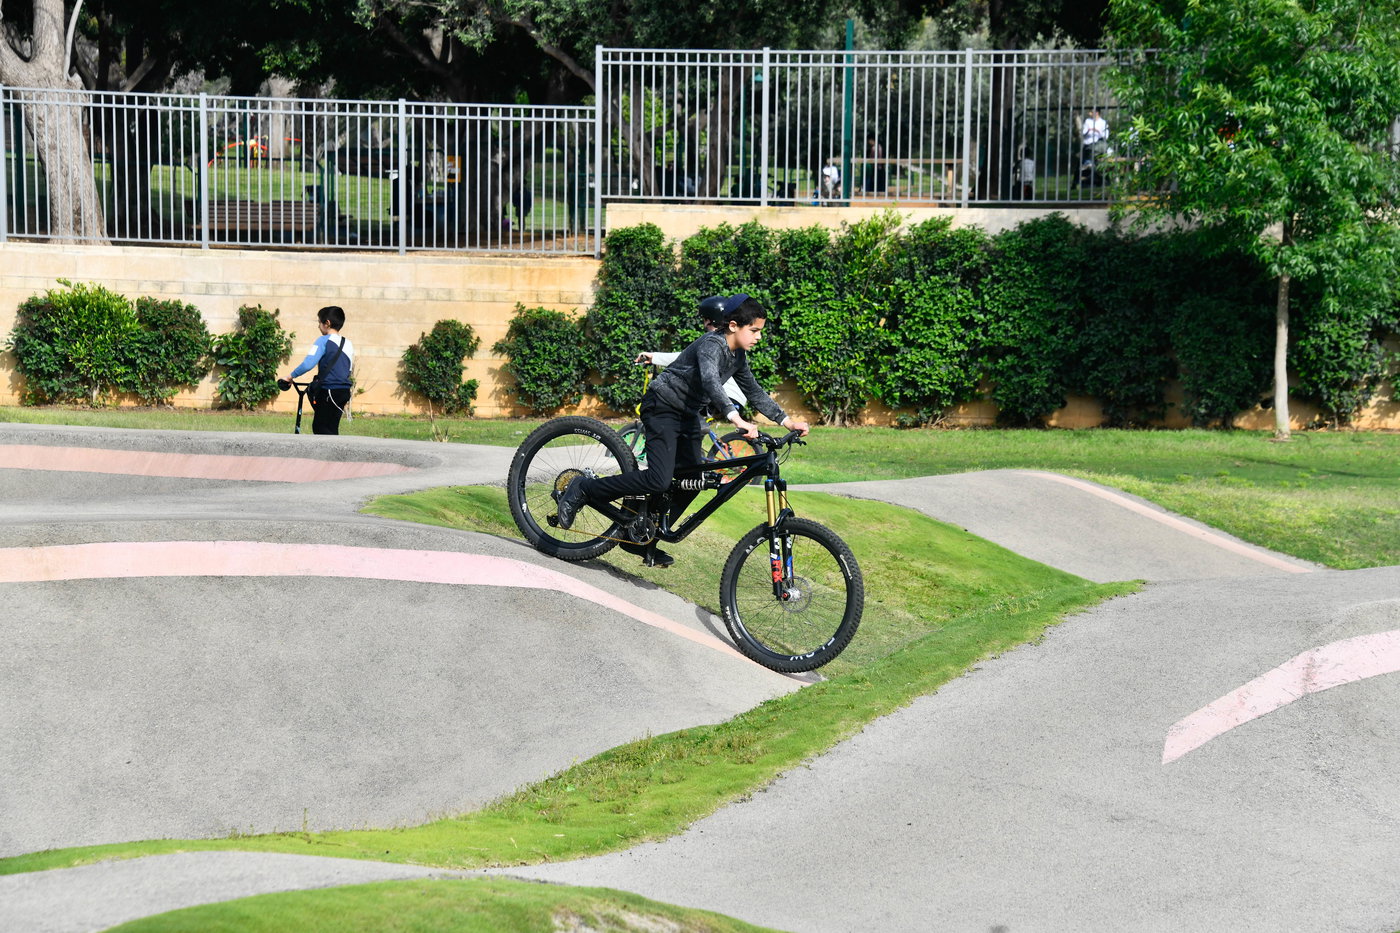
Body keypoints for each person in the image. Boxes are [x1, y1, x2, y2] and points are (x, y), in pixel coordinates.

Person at [555, 294, 809, 568]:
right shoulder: (712, 344)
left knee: (694, 480)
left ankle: (642, 537)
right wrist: (736, 418)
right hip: (662, 406)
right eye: (755, 331)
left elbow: (754, 391)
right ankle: (583, 488)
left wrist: (787, 422)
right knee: (659, 480)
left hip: (687, 414)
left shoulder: (738, 356)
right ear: (734, 325)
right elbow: (711, 381)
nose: (758, 337)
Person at [285, 305, 353, 435]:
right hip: (343, 391)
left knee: (321, 429)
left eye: (319, 322)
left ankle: (326, 455)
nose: (318, 326)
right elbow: (348, 370)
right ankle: (334, 454)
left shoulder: (323, 340)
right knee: (331, 428)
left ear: (327, 323)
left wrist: (290, 376)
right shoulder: (348, 343)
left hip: (329, 390)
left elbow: (307, 364)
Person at [1075, 108, 1109, 188]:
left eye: (1091, 112)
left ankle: (1099, 180)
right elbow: (1083, 132)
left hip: (1098, 146)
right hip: (1088, 146)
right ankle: (1080, 182)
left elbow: (1106, 136)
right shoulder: (1088, 121)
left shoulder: (1103, 123)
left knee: (1098, 164)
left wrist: (1097, 131)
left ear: (1096, 113)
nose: (1089, 113)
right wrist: (1088, 131)